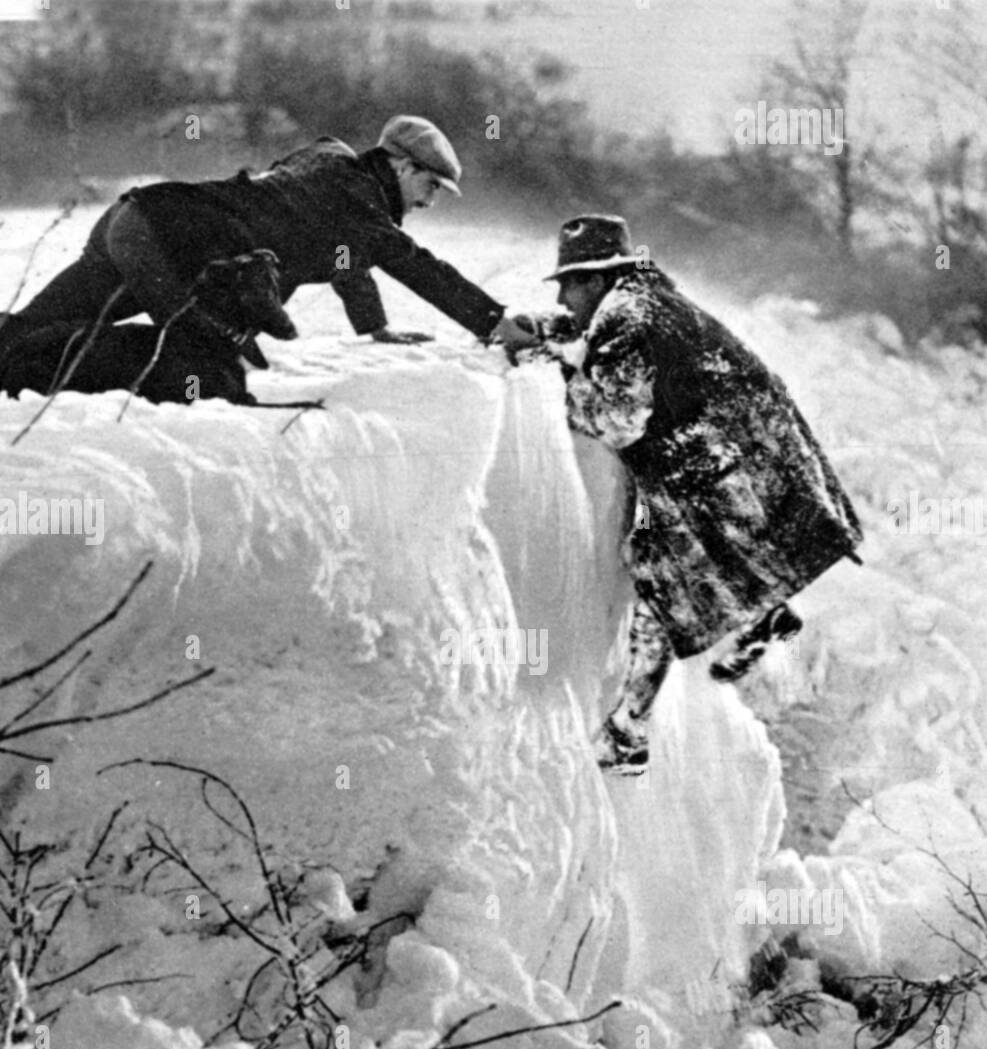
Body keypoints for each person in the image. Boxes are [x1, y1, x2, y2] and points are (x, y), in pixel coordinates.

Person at [533, 215, 863, 775]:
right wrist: (560, 339)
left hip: (715, 462)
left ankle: (628, 731)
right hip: (750, 450)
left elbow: (618, 419)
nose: (565, 296)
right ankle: (763, 618)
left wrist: (554, 382)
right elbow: (620, 358)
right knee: (705, 557)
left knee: (658, 575)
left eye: (569, 283)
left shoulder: (626, 317)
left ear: (596, 278)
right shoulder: (646, 299)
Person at [1, 115, 535, 360]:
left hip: (134, 217)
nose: (430, 200)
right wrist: (492, 320)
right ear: (398, 165)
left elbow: (348, 257)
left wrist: (374, 328)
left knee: (29, 331)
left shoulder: (329, 160)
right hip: (171, 242)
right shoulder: (360, 203)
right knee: (203, 365)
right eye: (429, 184)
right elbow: (415, 264)